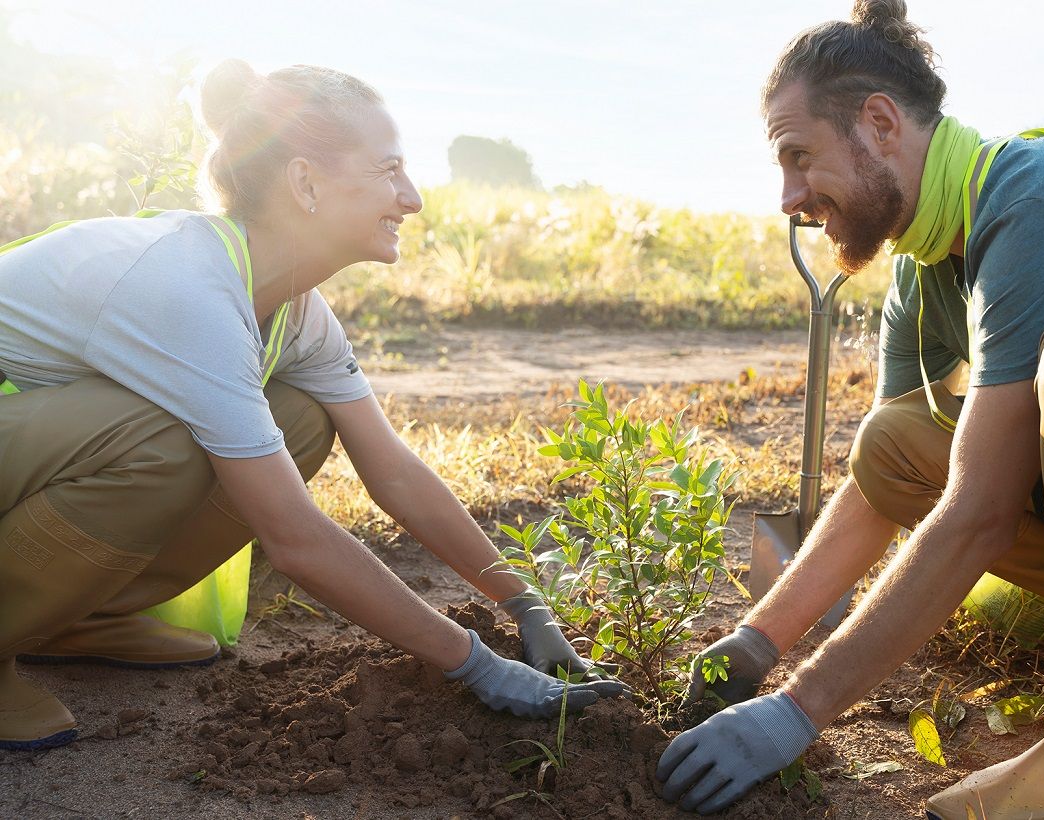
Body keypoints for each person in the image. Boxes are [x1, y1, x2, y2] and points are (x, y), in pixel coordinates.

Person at [656, 1, 1044, 817]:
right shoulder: (932, 267)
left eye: (798, 157)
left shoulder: (1043, 203)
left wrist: (798, 710)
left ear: (880, 123)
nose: (789, 196)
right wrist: (756, 641)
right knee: (895, 440)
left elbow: (981, 511)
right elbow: (888, 482)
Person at [0, 59, 625, 752]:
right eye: (389, 170)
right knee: (166, 440)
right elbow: (295, 538)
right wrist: (474, 663)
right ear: (305, 183)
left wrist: (524, 603)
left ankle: (75, 616)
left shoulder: (293, 309)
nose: (411, 197)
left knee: (298, 417)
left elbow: (392, 473)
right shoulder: (188, 291)